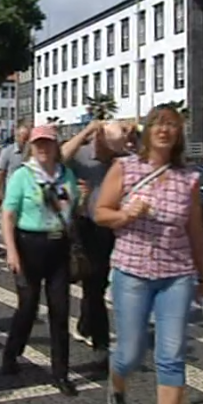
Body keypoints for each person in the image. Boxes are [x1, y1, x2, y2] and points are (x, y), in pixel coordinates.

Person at [94, 104, 203, 404]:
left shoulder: (189, 178)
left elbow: (195, 231)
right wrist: (125, 214)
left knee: (171, 356)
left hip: (177, 275)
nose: (164, 129)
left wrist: (202, 277)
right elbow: (101, 213)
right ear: (147, 130)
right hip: (131, 272)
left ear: (178, 133)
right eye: (158, 123)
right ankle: (117, 383)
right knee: (130, 353)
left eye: (171, 124)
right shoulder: (125, 168)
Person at [0, 124, 79, 397]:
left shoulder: (66, 175)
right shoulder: (22, 176)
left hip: (57, 246)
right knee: (28, 307)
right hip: (28, 244)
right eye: (38, 144)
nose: (43, 148)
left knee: (60, 311)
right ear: (31, 147)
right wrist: (11, 250)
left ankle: (61, 373)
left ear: (56, 146)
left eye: (48, 143)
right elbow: (8, 215)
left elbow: (71, 207)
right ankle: (11, 353)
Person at [60, 120, 127, 367]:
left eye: (116, 149)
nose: (112, 154)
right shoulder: (81, 155)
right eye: (109, 148)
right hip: (83, 224)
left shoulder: (119, 159)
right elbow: (60, 157)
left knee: (97, 282)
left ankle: (86, 326)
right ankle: (99, 339)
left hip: (108, 227)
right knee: (93, 281)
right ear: (99, 139)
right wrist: (86, 131)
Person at [0, 123, 30, 207]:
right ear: (17, 137)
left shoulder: (32, 152)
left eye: (28, 138)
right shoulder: (7, 151)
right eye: (24, 138)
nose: (26, 142)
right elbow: (0, 174)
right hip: (12, 194)